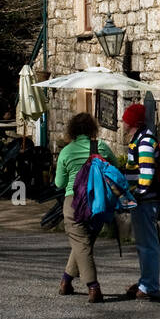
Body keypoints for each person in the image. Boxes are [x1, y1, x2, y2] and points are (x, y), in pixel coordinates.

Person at [54, 112, 116, 304]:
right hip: (97, 203)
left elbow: (59, 183)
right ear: (92, 129)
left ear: (72, 130)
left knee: (81, 243)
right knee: (83, 243)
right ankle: (66, 281)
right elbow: (114, 170)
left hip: (73, 203)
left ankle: (93, 287)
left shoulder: (66, 152)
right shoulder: (102, 148)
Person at [121, 102, 160, 301]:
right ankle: (145, 281)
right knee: (143, 244)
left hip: (145, 200)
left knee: (148, 245)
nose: (123, 124)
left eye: (125, 120)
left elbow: (146, 173)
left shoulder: (145, 142)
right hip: (140, 200)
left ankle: (150, 286)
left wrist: (136, 195)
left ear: (132, 123)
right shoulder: (139, 139)